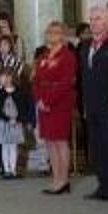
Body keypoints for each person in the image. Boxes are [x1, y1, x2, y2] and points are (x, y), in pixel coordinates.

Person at [79, 6, 108, 202]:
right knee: (97, 148)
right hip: (92, 105)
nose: (93, 22)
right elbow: (83, 78)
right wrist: (84, 105)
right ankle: (102, 184)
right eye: (91, 19)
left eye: (98, 19)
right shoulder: (86, 46)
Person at [32, 20, 78, 195]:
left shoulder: (67, 56)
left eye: (56, 32)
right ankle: (56, 178)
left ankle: (63, 180)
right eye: (49, 32)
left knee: (60, 141)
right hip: (43, 103)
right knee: (49, 141)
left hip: (59, 103)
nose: (51, 35)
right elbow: (35, 80)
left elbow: (66, 83)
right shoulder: (44, 55)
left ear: (63, 36)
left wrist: (48, 101)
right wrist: (39, 100)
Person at [0, 67, 28, 179]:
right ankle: (6, 170)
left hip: (15, 123)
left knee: (13, 146)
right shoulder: (0, 93)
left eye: (3, 76)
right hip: (3, 123)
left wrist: (17, 119)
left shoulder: (19, 92)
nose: (1, 79)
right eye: (0, 77)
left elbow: (23, 108)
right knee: (5, 146)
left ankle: (13, 170)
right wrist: (7, 119)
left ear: (10, 77)